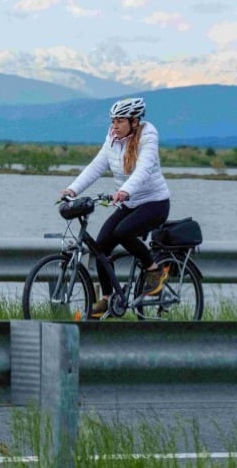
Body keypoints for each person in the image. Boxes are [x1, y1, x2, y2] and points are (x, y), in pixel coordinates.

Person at [60, 97, 171, 319]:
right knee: (100, 247)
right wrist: (73, 190)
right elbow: (97, 166)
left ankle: (154, 271)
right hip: (129, 203)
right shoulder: (113, 138)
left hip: (155, 203)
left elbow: (143, 170)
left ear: (134, 121)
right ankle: (108, 299)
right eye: (113, 121)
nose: (115, 125)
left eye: (120, 121)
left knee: (123, 232)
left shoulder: (148, 136)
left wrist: (125, 190)